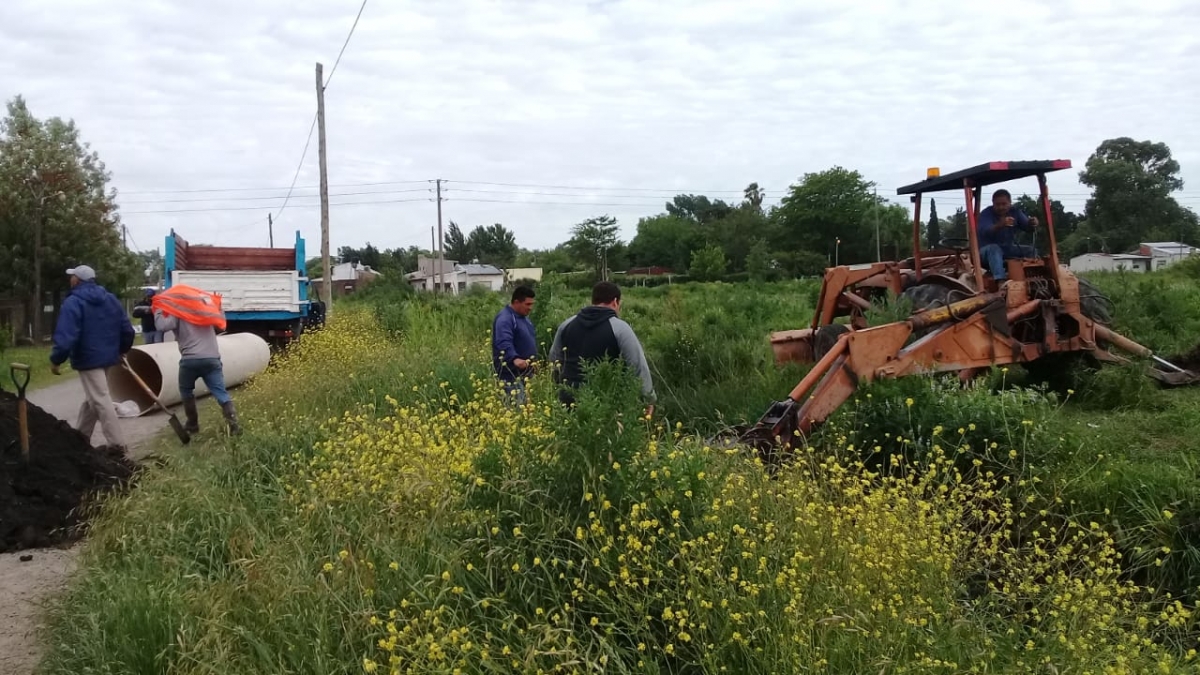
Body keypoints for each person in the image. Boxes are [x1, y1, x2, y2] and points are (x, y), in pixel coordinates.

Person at [49, 265, 134, 450]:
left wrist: (56, 360)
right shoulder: (110, 299)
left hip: (88, 359)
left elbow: (66, 335)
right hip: (108, 358)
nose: (70, 279)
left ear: (77, 280)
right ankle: (80, 437)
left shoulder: (73, 302)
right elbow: (127, 329)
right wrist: (122, 349)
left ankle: (117, 444)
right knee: (93, 398)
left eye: (72, 276)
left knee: (101, 398)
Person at [549, 281, 656, 415]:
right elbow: (637, 365)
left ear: (593, 300)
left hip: (569, 399)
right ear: (615, 302)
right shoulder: (620, 328)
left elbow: (554, 360)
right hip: (606, 400)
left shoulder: (566, 325)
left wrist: (557, 388)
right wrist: (648, 398)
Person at [153, 288, 241, 435]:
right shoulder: (205, 309)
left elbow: (162, 326)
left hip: (190, 360)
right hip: (212, 358)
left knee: (186, 391)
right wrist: (219, 307)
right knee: (221, 393)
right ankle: (234, 425)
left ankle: (192, 424)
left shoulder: (179, 310)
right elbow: (221, 324)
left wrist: (158, 309)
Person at [977, 189, 1040, 283]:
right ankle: (1000, 281)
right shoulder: (986, 214)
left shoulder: (1015, 212)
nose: (1001, 207)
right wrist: (1001, 224)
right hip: (985, 252)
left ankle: (1033, 278)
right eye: (997, 204)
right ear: (993, 203)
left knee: (1031, 250)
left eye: (1004, 204)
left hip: (1007, 249)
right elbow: (985, 231)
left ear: (1010, 203)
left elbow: (1027, 227)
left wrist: (1032, 223)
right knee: (994, 248)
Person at [492, 285, 538, 405]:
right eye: (527, 304)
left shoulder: (523, 318)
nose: (530, 308)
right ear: (517, 302)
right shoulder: (506, 319)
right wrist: (514, 358)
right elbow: (503, 341)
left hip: (525, 373)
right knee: (516, 410)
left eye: (532, 304)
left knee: (526, 409)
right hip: (511, 374)